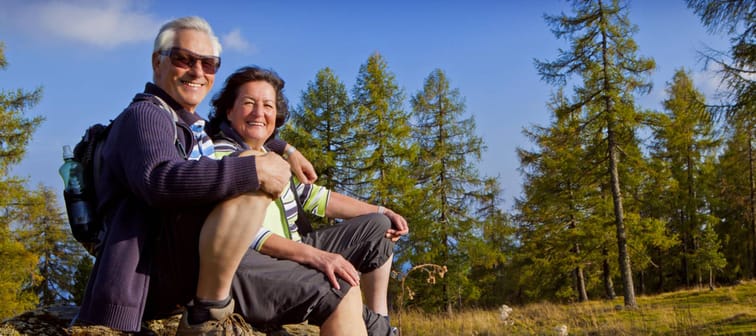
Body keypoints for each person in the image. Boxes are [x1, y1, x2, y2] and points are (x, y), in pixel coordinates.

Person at [73, 16, 351, 335]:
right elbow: (158, 181)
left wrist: (285, 149)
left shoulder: (187, 122)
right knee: (252, 166)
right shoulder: (146, 116)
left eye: (209, 64)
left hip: (184, 268)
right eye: (183, 59)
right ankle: (208, 313)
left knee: (255, 162)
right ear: (157, 62)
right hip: (146, 279)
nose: (198, 72)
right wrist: (255, 167)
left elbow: (240, 126)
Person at [205, 66, 410, 335]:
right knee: (342, 290)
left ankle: (381, 322)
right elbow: (248, 235)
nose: (259, 113)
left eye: (267, 105)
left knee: (379, 225)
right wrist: (318, 257)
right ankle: (372, 325)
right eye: (248, 103)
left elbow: (316, 198)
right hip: (260, 262)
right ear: (229, 111)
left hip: (294, 249)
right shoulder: (225, 157)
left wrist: (382, 209)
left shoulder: (270, 155)